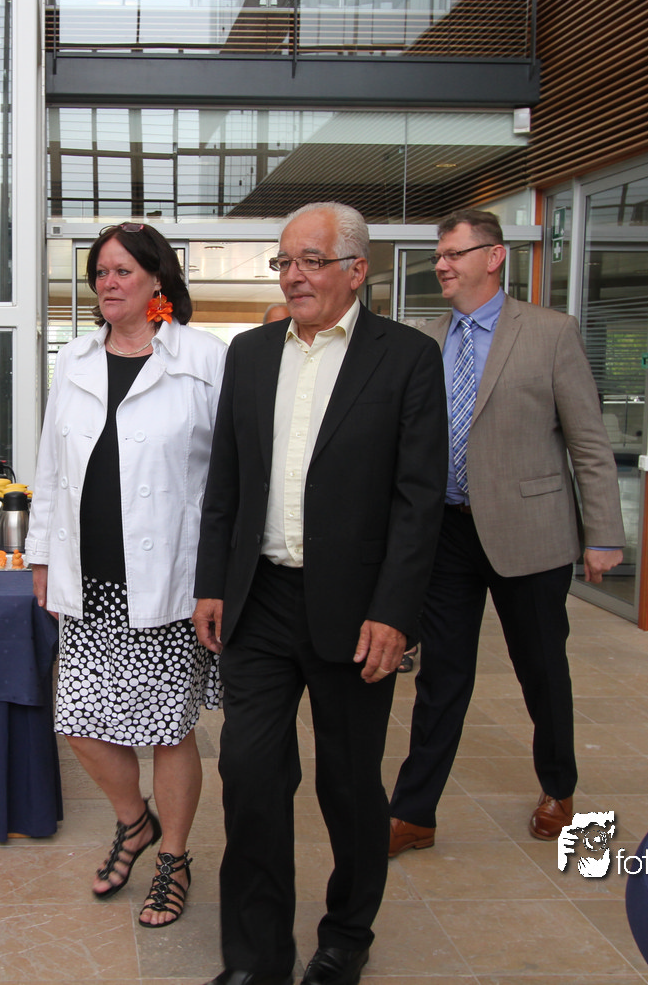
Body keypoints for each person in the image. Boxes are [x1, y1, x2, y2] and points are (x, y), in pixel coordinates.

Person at [194, 202, 447, 985]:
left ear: (355, 269)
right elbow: (225, 481)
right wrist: (211, 584)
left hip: (356, 608)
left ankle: (345, 935)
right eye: (284, 261)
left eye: (309, 260)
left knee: (348, 782)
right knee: (249, 774)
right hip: (260, 599)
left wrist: (394, 613)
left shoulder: (406, 358)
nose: (292, 275)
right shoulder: (249, 353)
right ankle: (256, 957)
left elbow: (418, 500)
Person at [387, 209, 625, 858]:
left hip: (530, 532)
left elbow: (588, 442)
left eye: (454, 253)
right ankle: (413, 812)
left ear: (493, 257)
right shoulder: (425, 339)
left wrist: (603, 533)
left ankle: (559, 787)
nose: (441, 264)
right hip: (447, 533)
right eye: (439, 254)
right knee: (441, 677)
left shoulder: (550, 332)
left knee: (541, 669)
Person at [27, 221, 228, 928]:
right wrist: (41, 556)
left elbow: (229, 476)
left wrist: (218, 577)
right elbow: (51, 465)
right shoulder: (76, 359)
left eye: (121, 271)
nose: (107, 283)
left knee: (168, 729)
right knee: (80, 719)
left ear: (156, 279)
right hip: (90, 578)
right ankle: (134, 820)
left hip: (169, 580)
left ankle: (173, 858)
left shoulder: (203, 359)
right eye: (100, 272)